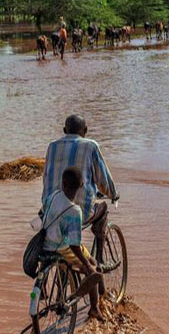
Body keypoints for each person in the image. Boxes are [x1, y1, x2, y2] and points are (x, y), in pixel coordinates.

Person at [41, 115, 119, 285]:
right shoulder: (90, 146)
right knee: (103, 208)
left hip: (49, 210)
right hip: (78, 210)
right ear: (85, 131)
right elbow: (103, 180)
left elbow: (46, 177)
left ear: (64, 131)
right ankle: (98, 257)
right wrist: (113, 194)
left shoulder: (52, 146)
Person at [42, 167, 104, 320]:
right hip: (62, 248)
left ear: (63, 184)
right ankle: (94, 308)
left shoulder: (53, 196)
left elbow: (44, 212)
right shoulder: (75, 211)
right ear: (81, 185)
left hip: (45, 243)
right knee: (93, 265)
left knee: (88, 260)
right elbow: (74, 245)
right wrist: (87, 265)